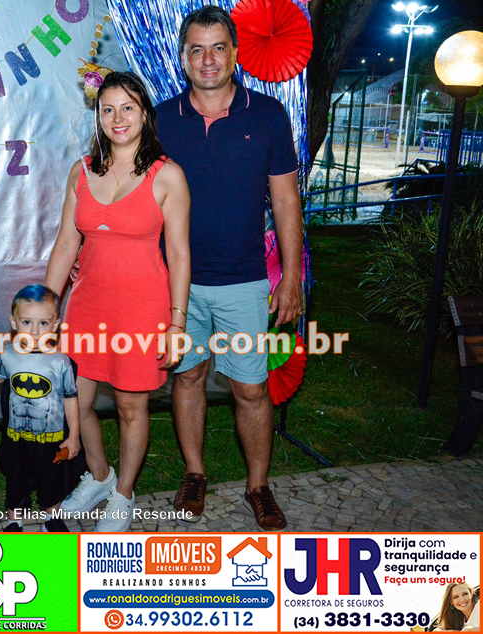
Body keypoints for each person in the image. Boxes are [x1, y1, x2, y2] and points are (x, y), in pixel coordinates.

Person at [155, 6, 303, 530]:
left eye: (218, 47)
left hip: (245, 281)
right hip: (178, 284)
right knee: (188, 377)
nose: (208, 59)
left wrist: (292, 277)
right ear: (182, 58)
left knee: (251, 389)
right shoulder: (160, 119)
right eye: (196, 49)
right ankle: (194, 473)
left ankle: (258, 486)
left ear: (235, 53)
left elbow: (285, 201)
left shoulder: (268, 115)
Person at [45, 71, 191, 532]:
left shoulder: (168, 175)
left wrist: (176, 324)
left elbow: (179, 254)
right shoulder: (81, 170)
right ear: (98, 116)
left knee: (131, 408)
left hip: (141, 312)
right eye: (107, 109)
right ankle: (99, 476)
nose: (117, 118)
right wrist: (45, 309)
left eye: (127, 107)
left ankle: (123, 495)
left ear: (144, 113)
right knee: (74, 402)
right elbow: (65, 244)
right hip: (87, 309)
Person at [0, 285, 81, 532]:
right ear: (14, 323)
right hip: (16, 436)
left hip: (50, 437)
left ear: (55, 324)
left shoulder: (60, 362)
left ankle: (52, 519)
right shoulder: (9, 354)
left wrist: (74, 436)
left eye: (43, 323)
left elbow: (71, 398)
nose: (35, 331)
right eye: (27, 322)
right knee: (15, 478)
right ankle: (14, 521)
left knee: (51, 478)